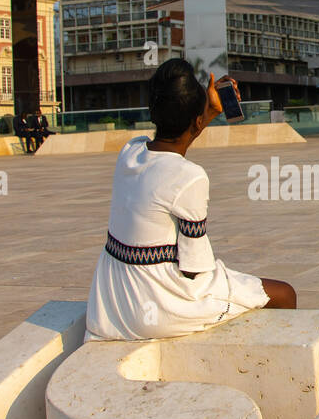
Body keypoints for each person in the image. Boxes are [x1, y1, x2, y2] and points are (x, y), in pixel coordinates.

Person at [86, 58, 296, 340]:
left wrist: (205, 112)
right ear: (196, 121)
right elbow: (196, 268)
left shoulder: (130, 151)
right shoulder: (192, 176)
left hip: (112, 301)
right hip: (158, 307)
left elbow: (170, 153)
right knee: (284, 293)